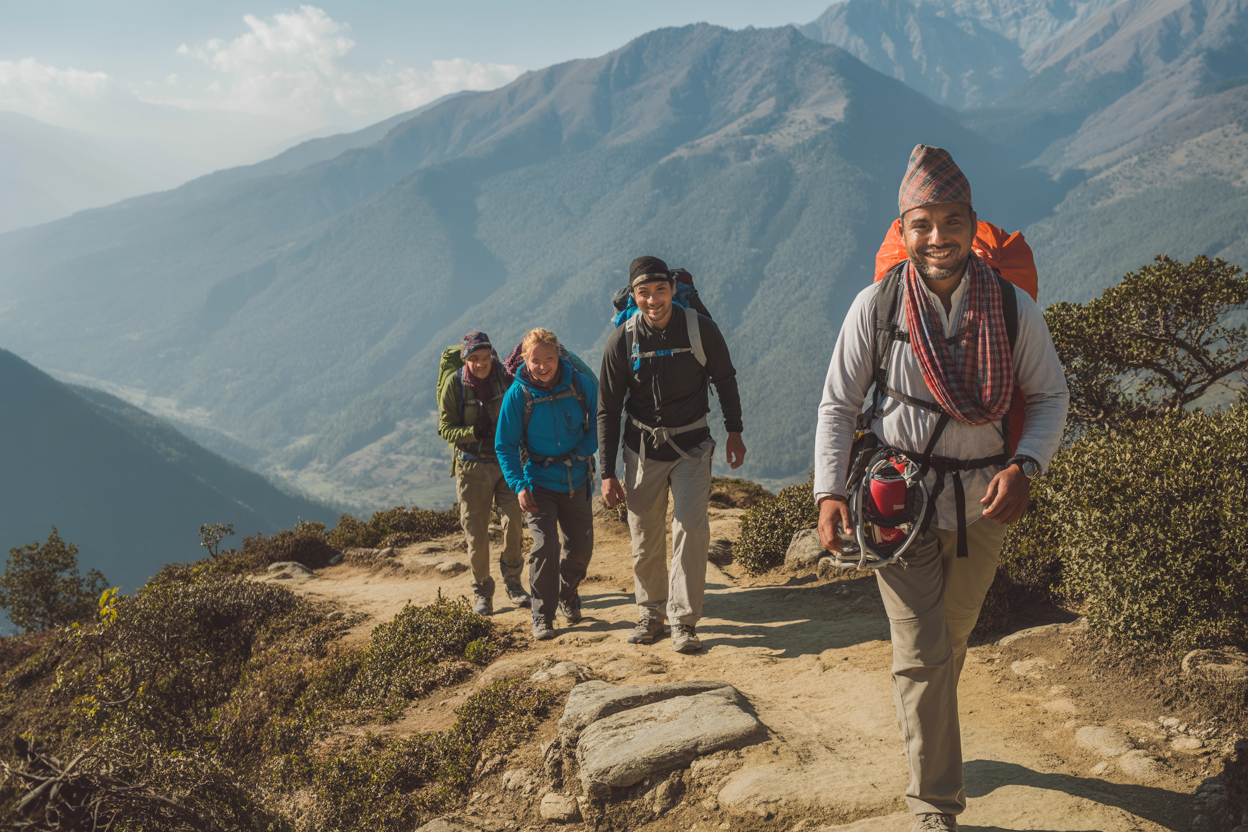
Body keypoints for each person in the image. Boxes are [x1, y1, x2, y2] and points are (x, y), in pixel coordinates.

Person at [813, 145, 1069, 832]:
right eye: (921, 223)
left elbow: (1049, 397)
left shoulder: (1013, 310)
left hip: (987, 500)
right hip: (897, 500)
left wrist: (1026, 465)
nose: (936, 237)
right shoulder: (877, 307)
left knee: (952, 637)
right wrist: (828, 491)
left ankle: (928, 730)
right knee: (923, 652)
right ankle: (935, 804)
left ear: (971, 224)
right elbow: (838, 405)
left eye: (950, 221)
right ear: (902, 229)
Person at [598, 256, 746, 654]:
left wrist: (735, 431)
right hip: (641, 449)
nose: (653, 300)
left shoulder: (701, 330)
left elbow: (725, 378)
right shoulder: (622, 341)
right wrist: (607, 471)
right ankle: (650, 613)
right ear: (634, 295)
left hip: (692, 447)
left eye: (660, 291)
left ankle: (683, 621)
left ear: (673, 291)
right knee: (645, 536)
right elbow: (608, 408)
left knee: (691, 532)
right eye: (643, 293)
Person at [495, 328, 599, 641]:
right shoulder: (518, 395)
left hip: (577, 479)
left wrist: (580, 452)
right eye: (535, 360)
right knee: (545, 547)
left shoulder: (579, 384)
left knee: (580, 550)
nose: (543, 366)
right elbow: (505, 445)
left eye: (549, 359)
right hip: (538, 482)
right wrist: (519, 485)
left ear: (559, 357)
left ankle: (568, 592)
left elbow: (599, 422)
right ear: (524, 360)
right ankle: (542, 617)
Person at [437, 331, 527, 616]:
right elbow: (445, 428)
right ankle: (483, 593)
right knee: (476, 536)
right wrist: (471, 432)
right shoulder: (455, 385)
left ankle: (513, 583)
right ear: (465, 359)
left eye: (484, 357)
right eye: (474, 358)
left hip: (506, 463)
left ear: (492, 356)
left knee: (513, 522)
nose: (480, 363)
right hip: (472, 467)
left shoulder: (504, 377)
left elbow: (522, 410)